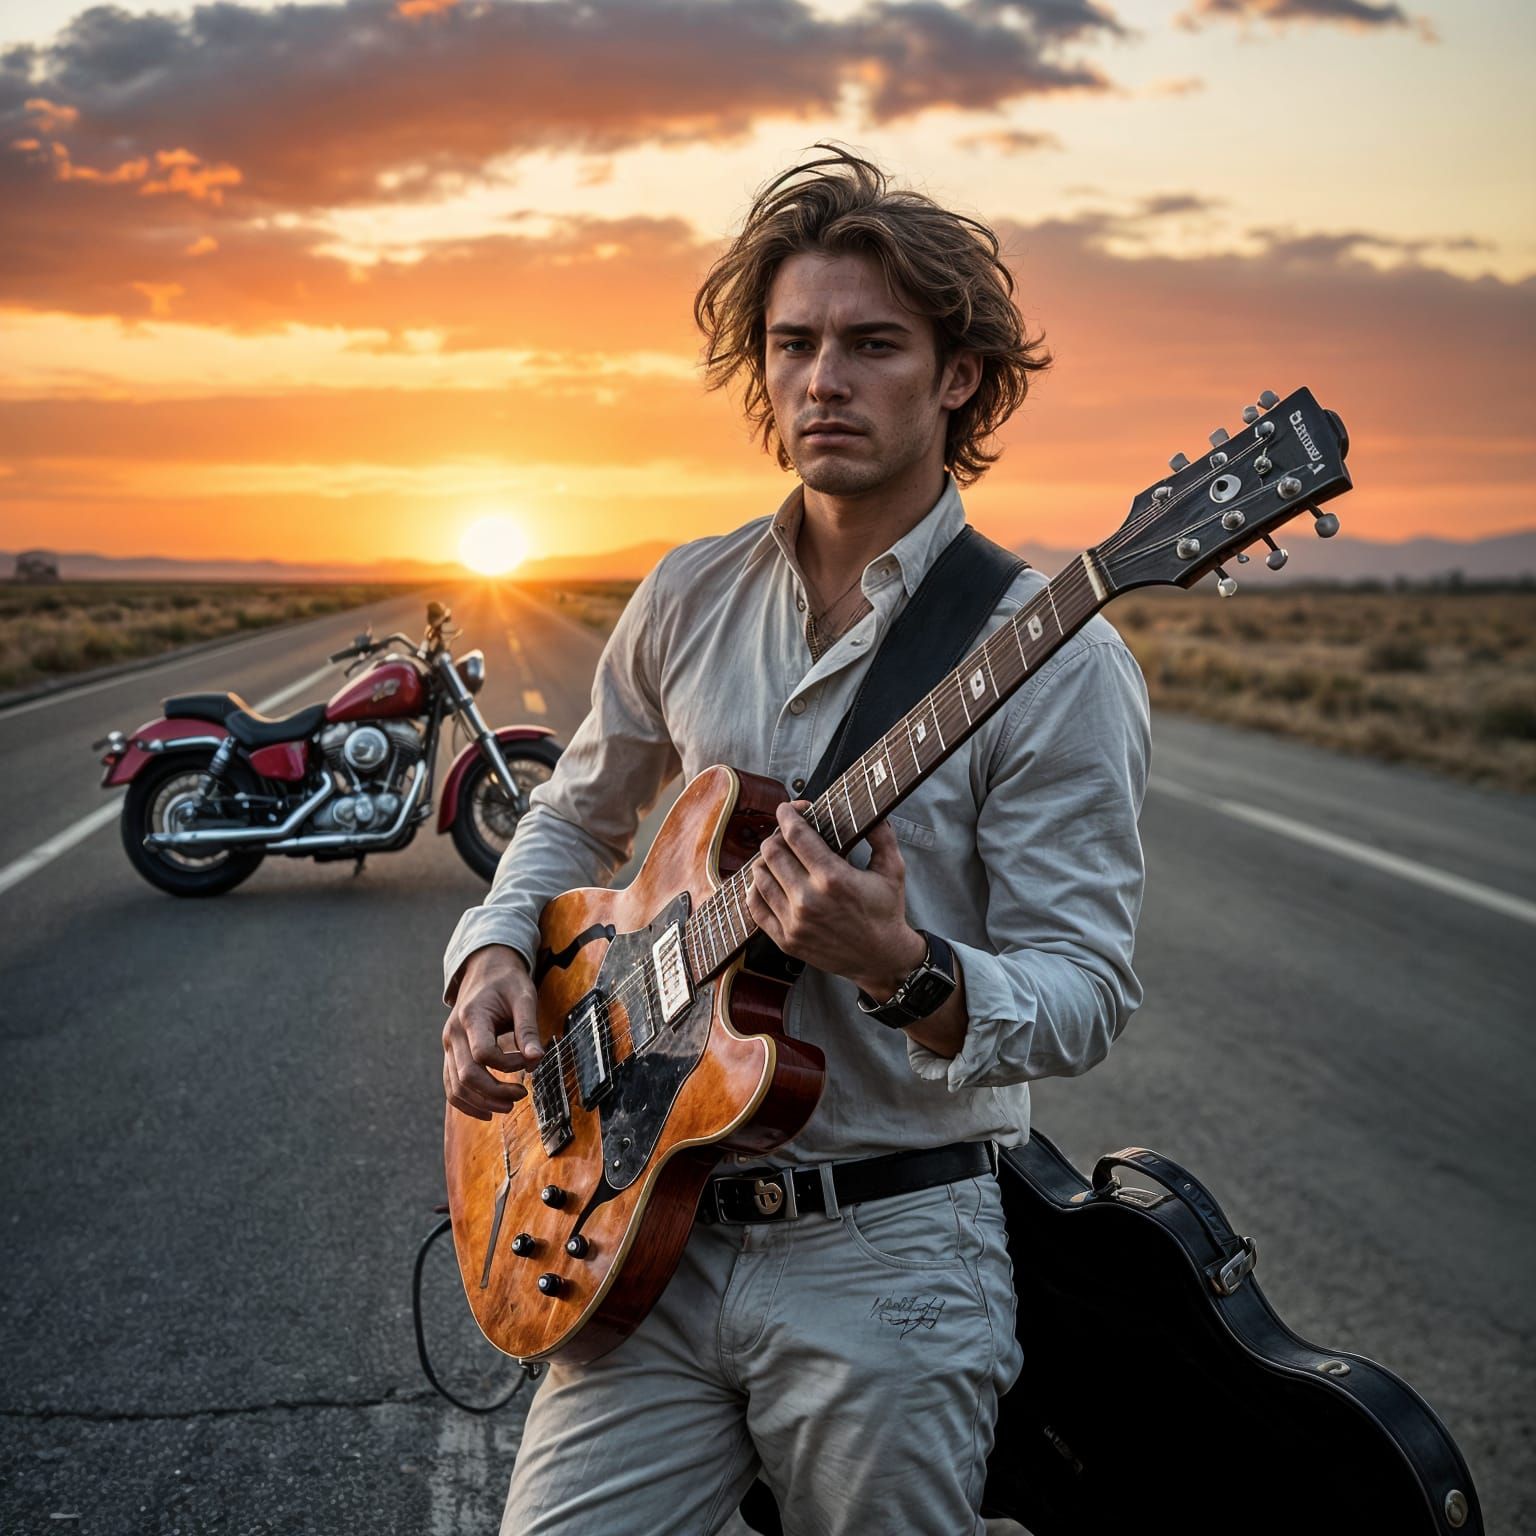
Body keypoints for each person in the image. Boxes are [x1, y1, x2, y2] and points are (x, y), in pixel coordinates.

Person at [440, 145, 1150, 1536]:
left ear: (958, 378)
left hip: (890, 1254)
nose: (824, 378)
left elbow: (1088, 990)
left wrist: (908, 968)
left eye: (873, 344)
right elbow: (575, 811)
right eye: (794, 344)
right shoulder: (690, 592)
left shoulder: (1054, 656)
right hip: (650, 1234)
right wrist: (493, 952)